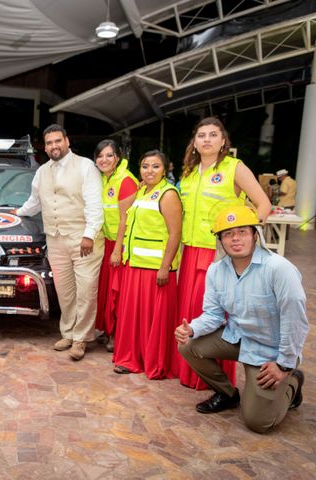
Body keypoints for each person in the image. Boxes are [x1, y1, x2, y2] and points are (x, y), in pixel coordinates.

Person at [176, 205, 307, 433]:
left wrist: (284, 364)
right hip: (237, 338)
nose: (235, 239)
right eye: (228, 234)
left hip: (269, 351)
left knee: (259, 423)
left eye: (242, 232)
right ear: (220, 240)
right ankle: (227, 393)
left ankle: (293, 382)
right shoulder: (216, 271)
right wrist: (192, 329)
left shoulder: (279, 269)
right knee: (188, 345)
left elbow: (295, 321)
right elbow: (214, 315)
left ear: (255, 235)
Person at [178, 117, 271, 390]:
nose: (206, 139)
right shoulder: (189, 173)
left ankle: (216, 380)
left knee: (217, 315)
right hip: (190, 250)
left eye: (213, 135)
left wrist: (246, 240)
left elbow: (263, 204)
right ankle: (190, 371)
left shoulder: (235, 168)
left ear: (223, 141)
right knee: (192, 314)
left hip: (219, 253)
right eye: (201, 135)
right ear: (194, 142)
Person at [16, 125, 104, 361]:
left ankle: (81, 338)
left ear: (66, 140)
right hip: (55, 239)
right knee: (65, 291)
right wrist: (17, 214)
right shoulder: (42, 171)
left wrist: (89, 234)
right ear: (45, 147)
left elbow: (95, 204)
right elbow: (34, 202)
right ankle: (68, 332)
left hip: (83, 238)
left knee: (86, 291)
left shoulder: (86, 166)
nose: (54, 146)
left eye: (57, 141)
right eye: (49, 143)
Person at [113, 151, 182, 379]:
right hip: (134, 266)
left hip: (155, 270)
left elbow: (175, 234)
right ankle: (132, 358)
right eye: (145, 166)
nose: (149, 170)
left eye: (155, 166)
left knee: (153, 320)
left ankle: (154, 361)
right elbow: (126, 218)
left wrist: (166, 266)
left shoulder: (168, 194)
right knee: (133, 317)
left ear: (165, 169)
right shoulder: (143, 191)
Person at [93, 139, 138, 353]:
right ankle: (105, 328)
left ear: (118, 157)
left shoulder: (126, 180)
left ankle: (116, 333)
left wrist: (118, 249)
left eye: (109, 155)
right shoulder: (101, 179)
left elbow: (124, 219)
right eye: (100, 156)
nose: (104, 160)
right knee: (104, 289)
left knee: (116, 292)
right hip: (106, 242)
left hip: (120, 244)